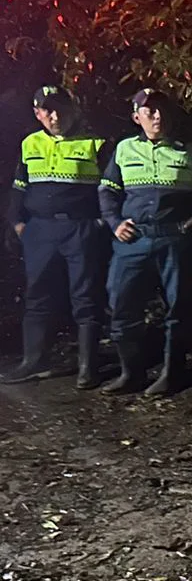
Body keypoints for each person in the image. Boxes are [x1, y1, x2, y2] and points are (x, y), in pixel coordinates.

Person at [98, 88, 192, 396]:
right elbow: (107, 191)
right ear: (137, 118)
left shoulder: (190, 151)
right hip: (133, 239)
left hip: (175, 238)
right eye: (149, 112)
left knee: (179, 307)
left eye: (162, 110)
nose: (157, 116)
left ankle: (172, 373)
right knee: (120, 303)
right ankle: (131, 373)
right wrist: (113, 222)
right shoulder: (123, 149)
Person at [2, 85, 111, 389]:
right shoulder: (29, 143)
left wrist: (102, 222)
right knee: (37, 295)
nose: (55, 115)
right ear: (37, 114)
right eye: (47, 110)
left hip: (81, 228)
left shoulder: (96, 144)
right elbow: (19, 187)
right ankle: (33, 361)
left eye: (60, 108)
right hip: (40, 230)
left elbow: (112, 188)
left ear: (72, 108)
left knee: (86, 297)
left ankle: (87, 367)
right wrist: (17, 222)